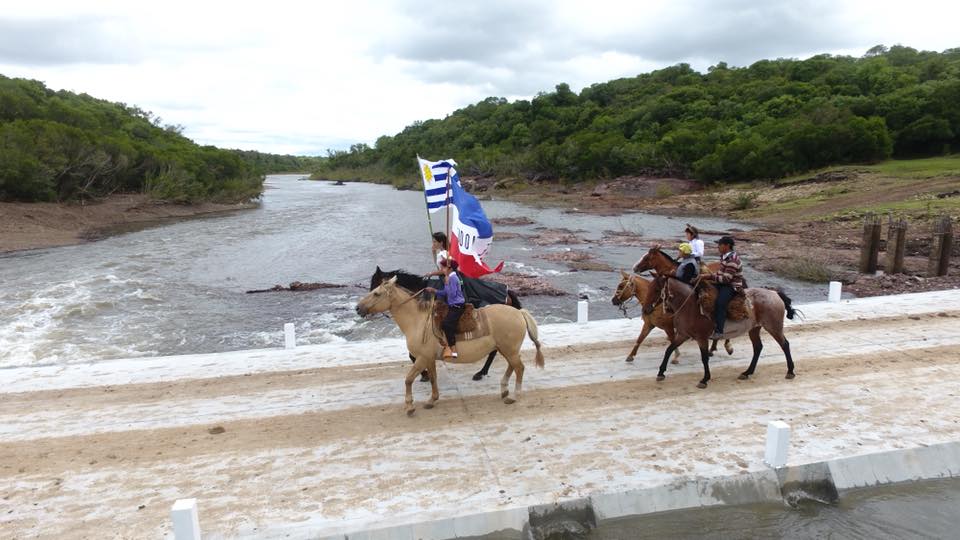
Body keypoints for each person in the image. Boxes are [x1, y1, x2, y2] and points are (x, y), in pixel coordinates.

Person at [703, 236, 744, 339]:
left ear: (727, 246)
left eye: (720, 245)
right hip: (723, 283)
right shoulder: (724, 257)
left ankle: (719, 331)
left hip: (732, 286)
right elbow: (721, 273)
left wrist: (710, 276)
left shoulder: (733, 260)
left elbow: (727, 279)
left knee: (720, 303)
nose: (718, 247)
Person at [425, 259, 465, 359]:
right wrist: (434, 290)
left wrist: (447, 283)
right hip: (452, 305)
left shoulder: (453, 278)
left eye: (443, 267)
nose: (442, 269)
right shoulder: (450, 277)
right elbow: (445, 293)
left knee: (446, 325)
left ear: (450, 268)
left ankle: (453, 350)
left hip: (457, 306)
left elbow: (452, 294)